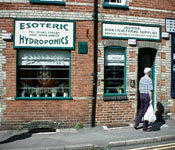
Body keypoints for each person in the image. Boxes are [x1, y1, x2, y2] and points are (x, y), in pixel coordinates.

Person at [134, 67, 153, 132]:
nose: (150, 73)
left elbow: (139, 88)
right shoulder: (149, 79)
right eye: (150, 72)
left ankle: (136, 124)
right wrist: (151, 99)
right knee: (146, 112)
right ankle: (145, 128)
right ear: (148, 72)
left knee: (141, 110)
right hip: (146, 96)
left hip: (141, 95)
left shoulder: (141, 79)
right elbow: (150, 90)